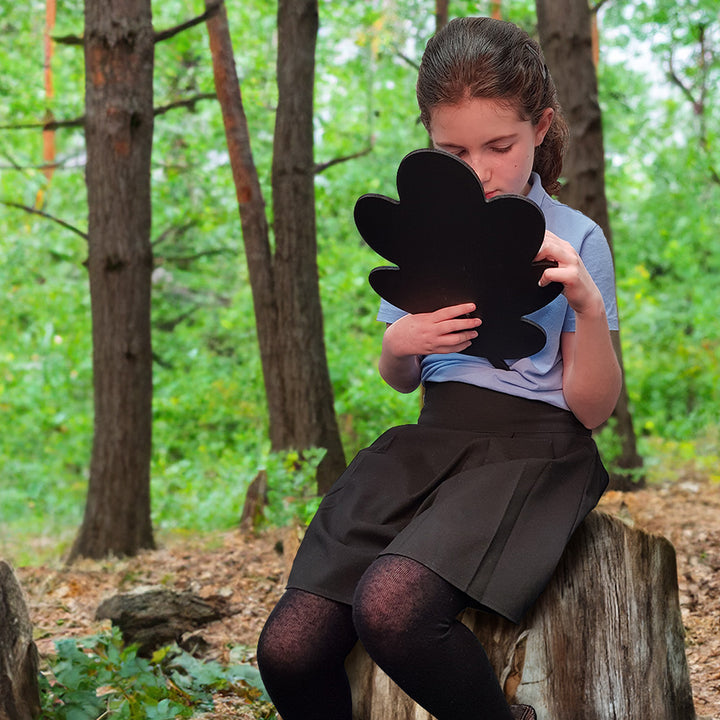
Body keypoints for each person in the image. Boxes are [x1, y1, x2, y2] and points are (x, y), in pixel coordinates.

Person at [256, 15, 622, 720]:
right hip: (429, 446)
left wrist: (585, 302)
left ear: (540, 127)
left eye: (499, 145)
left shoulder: (577, 237)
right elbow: (402, 377)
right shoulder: (426, 228)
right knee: (289, 649)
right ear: (427, 135)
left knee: (392, 609)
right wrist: (402, 344)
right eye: (453, 149)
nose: (479, 169)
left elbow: (593, 409)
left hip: (533, 450)